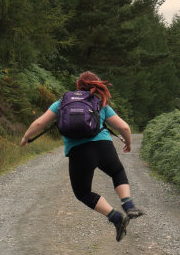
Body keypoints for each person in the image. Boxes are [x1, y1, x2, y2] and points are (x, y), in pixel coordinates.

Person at [20, 71, 144, 241]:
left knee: (83, 193)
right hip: (103, 147)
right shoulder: (100, 102)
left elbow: (40, 122)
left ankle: (116, 217)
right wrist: (128, 143)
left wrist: (26, 137)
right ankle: (129, 206)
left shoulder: (62, 102)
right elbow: (124, 127)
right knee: (117, 172)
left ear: (78, 85)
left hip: (79, 152)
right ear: (96, 85)